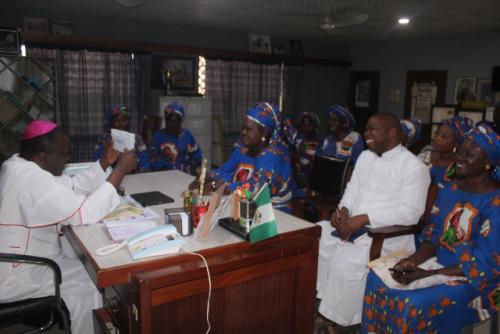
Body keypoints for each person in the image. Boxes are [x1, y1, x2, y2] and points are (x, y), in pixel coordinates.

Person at [0, 120, 137, 334]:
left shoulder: (18, 165)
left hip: (24, 259)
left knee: (83, 258)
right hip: (21, 273)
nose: (68, 160)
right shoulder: (31, 179)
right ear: (43, 155)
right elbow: (86, 212)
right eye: (64, 155)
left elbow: (71, 185)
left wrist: (105, 162)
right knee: (94, 279)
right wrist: (120, 169)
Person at [361, 124, 500, 333]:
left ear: (488, 163)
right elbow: (433, 235)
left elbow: (486, 264)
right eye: (460, 150)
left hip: (478, 280)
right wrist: (413, 261)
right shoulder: (451, 189)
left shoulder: (495, 203)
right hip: (438, 266)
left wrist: (427, 274)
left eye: (469, 154)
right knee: (375, 278)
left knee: (412, 302)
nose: (460, 157)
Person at [315, 113, 430, 332]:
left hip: (386, 236)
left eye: (372, 129)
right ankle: (323, 305)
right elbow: (353, 189)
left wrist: (365, 218)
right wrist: (343, 210)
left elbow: (411, 213)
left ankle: (345, 322)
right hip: (353, 225)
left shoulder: (414, 167)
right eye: (366, 129)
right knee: (317, 235)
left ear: (392, 132)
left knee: (346, 260)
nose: (366, 134)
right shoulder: (366, 157)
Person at [198, 102, 294, 212]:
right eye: (243, 128)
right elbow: (229, 173)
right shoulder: (245, 149)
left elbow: (253, 191)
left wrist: (220, 185)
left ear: (264, 132)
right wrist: (209, 176)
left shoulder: (272, 157)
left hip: (273, 216)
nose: (243, 132)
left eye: (249, 129)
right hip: (245, 207)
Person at [94, 104, 150, 172]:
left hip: (134, 176)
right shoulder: (104, 139)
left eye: (124, 121)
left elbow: (145, 163)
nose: (121, 124)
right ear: (111, 122)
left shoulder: (136, 138)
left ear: (128, 121)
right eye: (117, 121)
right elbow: (97, 163)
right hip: (109, 177)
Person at [151, 101, 202, 174]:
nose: (173, 124)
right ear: (166, 121)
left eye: (176, 121)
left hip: (184, 173)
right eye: (170, 121)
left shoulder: (186, 135)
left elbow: (197, 155)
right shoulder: (158, 136)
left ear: (181, 121)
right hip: (164, 174)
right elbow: (152, 159)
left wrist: (193, 166)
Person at [283, 112, 323, 197]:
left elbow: (313, 160)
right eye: (304, 125)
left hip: (312, 179)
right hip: (298, 178)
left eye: (310, 125)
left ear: (315, 126)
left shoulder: (320, 141)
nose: (306, 128)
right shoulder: (300, 138)